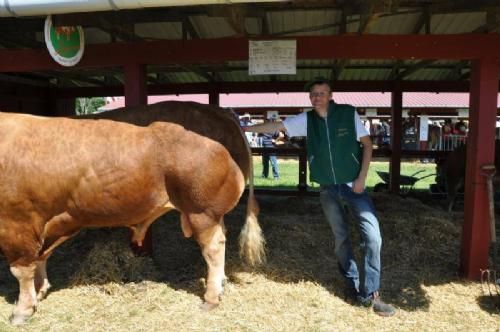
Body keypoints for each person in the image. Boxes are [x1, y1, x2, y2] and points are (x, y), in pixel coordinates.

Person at [243, 77, 396, 317]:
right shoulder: (307, 119)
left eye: (321, 93)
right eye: (313, 94)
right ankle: (351, 284)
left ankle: (372, 294)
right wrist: (243, 128)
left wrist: (361, 178)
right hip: (327, 188)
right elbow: (276, 126)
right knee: (340, 237)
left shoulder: (347, 114)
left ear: (330, 95)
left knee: (373, 237)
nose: (317, 97)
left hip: (353, 185)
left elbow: (367, 145)